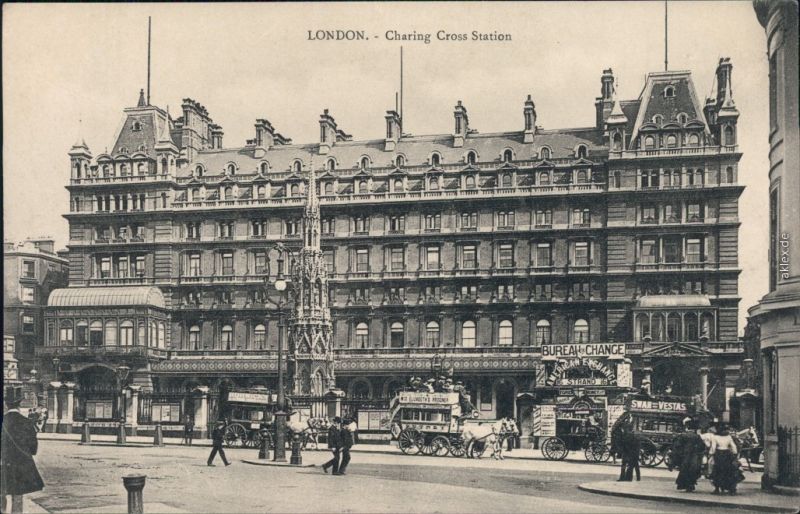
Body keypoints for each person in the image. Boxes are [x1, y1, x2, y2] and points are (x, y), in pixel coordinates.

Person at [2, 396, 45, 513]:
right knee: (18, 495)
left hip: (3, 463)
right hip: (20, 463)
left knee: (2, 493)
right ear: (19, 406)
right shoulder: (26, 422)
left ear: (6, 406)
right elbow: (33, 448)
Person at [673, 420, 705, 492]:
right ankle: (691, 485)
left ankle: (684, 485)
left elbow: (678, 446)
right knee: (693, 470)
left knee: (684, 469)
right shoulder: (697, 436)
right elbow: (702, 446)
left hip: (685, 455)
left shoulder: (683, 436)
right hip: (694, 456)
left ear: (687, 428)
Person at [710, 424, 739, 494]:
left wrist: (711, 453)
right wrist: (735, 454)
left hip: (719, 454)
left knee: (717, 470)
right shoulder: (728, 437)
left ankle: (717, 488)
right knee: (728, 470)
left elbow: (713, 447)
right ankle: (730, 488)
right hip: (727, 454)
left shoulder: (715, 437)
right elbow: (733, 446)